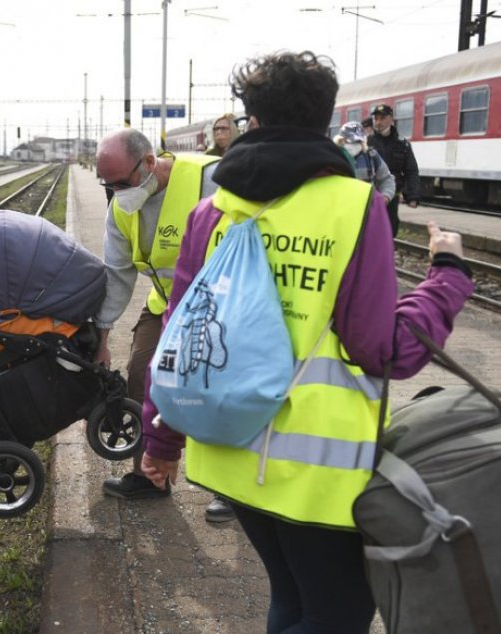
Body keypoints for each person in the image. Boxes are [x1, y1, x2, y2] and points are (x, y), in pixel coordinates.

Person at [140, 51, 473, 633]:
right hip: (318, 470)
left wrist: (160, 440)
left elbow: (178, 335)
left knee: (295, 603)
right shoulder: (354, 206)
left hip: (231, 453)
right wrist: (447, 276)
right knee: (335, 615)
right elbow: (386, 350)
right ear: (326, 119)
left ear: (252, 120)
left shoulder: (210, 213)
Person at [93, 129, 229, 521]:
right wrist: (103, 337)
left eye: (122, 182)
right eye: (108, 184)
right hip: (166, 303)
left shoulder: (210, 179)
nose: (117, 191)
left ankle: (227, 488)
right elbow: (117, 275)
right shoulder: (120, 207)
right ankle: (150, 476)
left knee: (216, 387)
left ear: (150, 163)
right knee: (141, 375)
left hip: (219, 306)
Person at [369, 103, 420, 237]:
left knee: (390, 230)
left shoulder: (402, 144)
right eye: (376, 119)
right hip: (370, 196)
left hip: (392, 197)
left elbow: (411, 171)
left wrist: (412, 196)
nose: (378, 122)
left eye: (382, 118)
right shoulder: (367, 143)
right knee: (370, 231)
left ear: (391, 119)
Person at [334, 121, 396, 203]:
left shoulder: (372, 156)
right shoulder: (333, 158)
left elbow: (387, 179)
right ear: (340, 141)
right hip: (340, 209)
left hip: (367, 209)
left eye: (358, 141)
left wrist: (385, 196)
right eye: (349, 141)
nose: (354, 144)